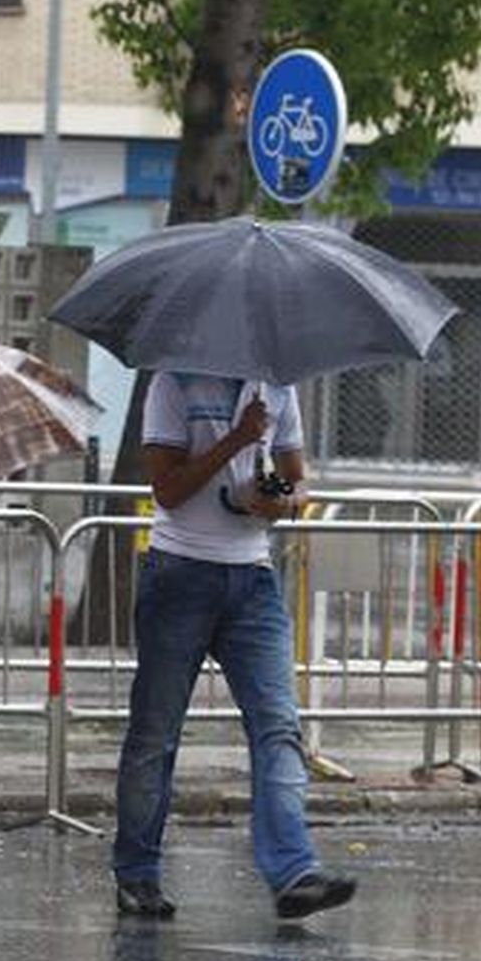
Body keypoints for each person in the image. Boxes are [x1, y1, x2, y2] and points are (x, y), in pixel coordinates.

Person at [113, 373, 357, 921]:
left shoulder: (278, 388)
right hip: (179, 573)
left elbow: (298, 484)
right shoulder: (172, 383)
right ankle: (137, 872)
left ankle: (294, 871)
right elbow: (167, 491)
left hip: (253, 579)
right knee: (156, 733)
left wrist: (273, 500)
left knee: (278, 724)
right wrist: (238, 439)